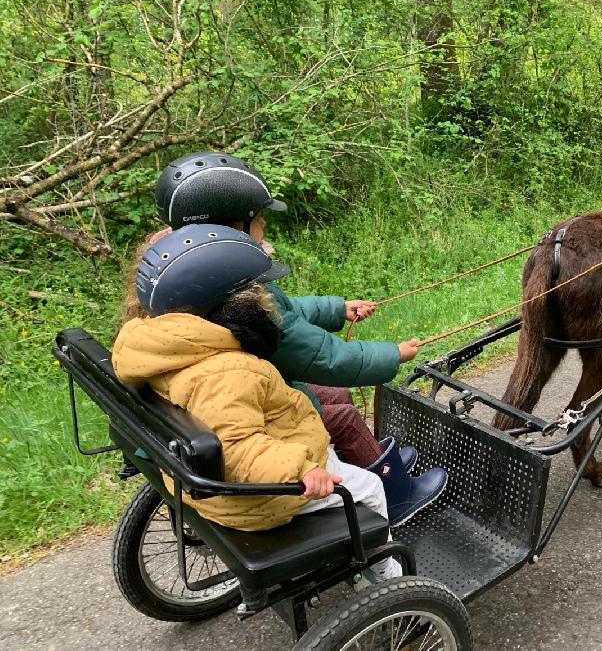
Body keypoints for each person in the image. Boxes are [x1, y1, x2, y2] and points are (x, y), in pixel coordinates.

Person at [123, 156, 448, 525]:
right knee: (339, 413)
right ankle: (392, 490)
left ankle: (371, 457)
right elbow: (323, 356)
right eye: (258, 217)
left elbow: (284, 312)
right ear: (230, 224)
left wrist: (336, 309)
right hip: (250, 421)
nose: (264, 224)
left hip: (218, 410)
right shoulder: (235, 298)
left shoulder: (177, 279)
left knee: (333, 396)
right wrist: (392, 354)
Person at [113, 225, 407, 583]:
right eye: (255, 295)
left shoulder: (169, 344)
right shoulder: (226, 371)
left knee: (333, 412)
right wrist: (301, 468)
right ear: (229, 305)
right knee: (370, 489)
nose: (266, 302)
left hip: (225, 475)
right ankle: (386, 577)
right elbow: (239, 449)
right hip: (260, 495)